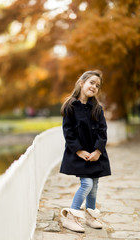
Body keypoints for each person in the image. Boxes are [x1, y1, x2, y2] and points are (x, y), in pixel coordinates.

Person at [59, 70, 111, 233]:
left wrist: (98, 151)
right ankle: (71, 216)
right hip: (79, 153)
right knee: (87, 183)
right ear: (81, 82)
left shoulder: (97, 108)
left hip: (96, 153)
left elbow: (103, 130)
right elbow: (68, 132)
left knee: (94, 185)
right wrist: (79, 151)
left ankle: (90, 215)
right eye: (91, 83)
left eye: (97, 85)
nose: (94, 87)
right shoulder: (70, 106)